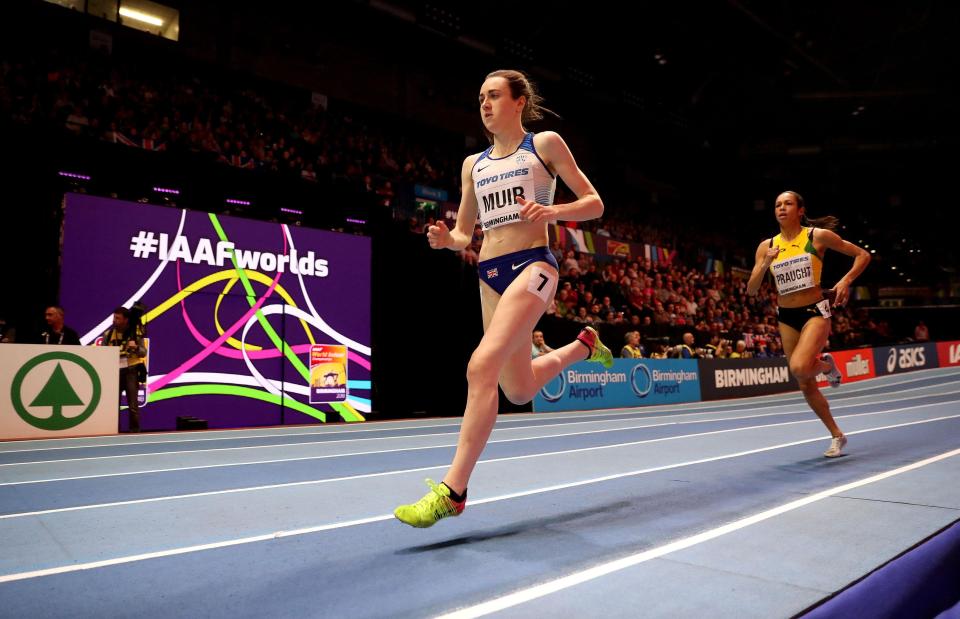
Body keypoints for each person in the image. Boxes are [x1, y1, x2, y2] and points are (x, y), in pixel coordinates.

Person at [394, 69, 610, 527]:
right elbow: (463, 233)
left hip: (534, 265)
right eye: (480, 98)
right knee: (518, 388)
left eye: (494, 96)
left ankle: (453, 491)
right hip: (489, 274)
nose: (485, 105)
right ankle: (583, 347)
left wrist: (553, 210)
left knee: (479, 365)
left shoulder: (544, 145)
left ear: (518, 102)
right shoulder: (474, 164)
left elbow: (594, 203)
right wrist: (445, 240)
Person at [747, 190, 870, 457]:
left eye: (788, 203)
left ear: (800, 210)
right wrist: (766, 261)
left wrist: (845, 281)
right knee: (804, 381)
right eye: (777, 204)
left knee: (801, 367)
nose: (781, 208)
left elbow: (862, 255)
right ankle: (837, 435)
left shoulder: (816, 236)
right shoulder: (766, 246)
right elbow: (751, 290)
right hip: (786, 315)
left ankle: (825, 365)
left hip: (814, 310)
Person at [101, 307, 147, 432]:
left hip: (131, 372)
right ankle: (114, 431)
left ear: (126, 320)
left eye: (117, 318)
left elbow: (143, 352)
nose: (114, 320)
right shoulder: (108, 335)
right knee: (114, 405)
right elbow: (101, 355)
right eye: (114, 317)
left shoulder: (135, 334)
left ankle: (135, 432)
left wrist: (136, 347)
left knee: (133, 406)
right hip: (114, 373)